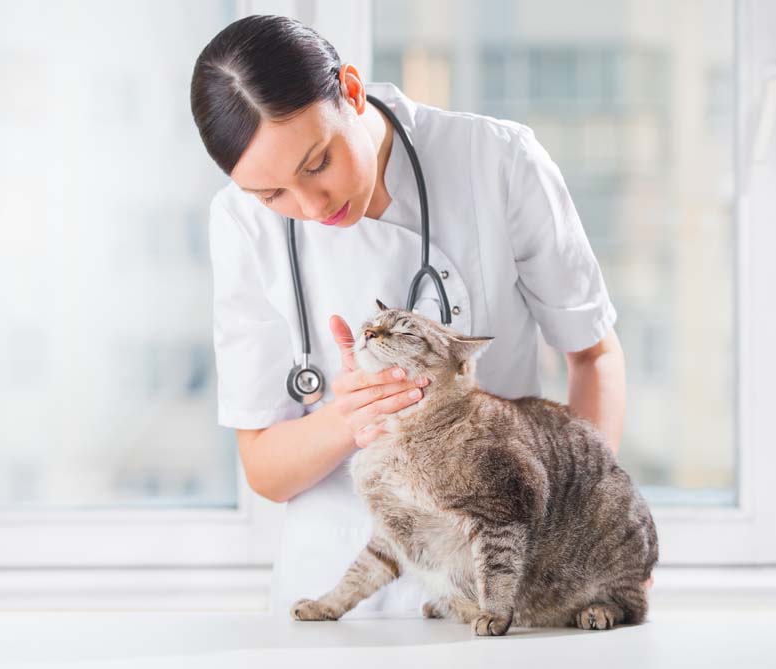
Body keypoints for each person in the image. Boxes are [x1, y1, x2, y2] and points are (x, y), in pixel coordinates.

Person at [190, 14, 645, 616]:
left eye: (317, 163)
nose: (311, 205)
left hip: (509, 578)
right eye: (273, 195)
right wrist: (347, 418)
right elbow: (265, 469)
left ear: (351, 89)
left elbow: (592, 353)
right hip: (339, 598)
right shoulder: (240, 224)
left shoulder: (497, 161)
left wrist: (584, 532)